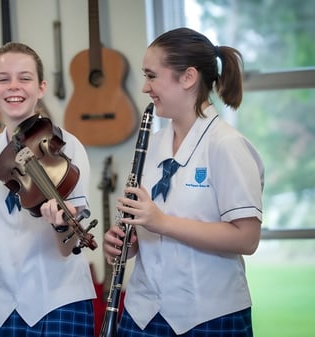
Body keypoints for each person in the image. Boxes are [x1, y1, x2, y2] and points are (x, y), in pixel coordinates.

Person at [102, 27, 264, 336]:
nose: (145, 88)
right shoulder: (151, 144)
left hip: (209, 315)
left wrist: (161, 222)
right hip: (142, 313)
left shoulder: (226, 145)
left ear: (188, 78)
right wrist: (128, 241)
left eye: (152, 76)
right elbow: (147, 226)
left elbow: (247, 238)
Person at [0, 42, 96, 337]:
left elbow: (69, 248)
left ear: (41, 87)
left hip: (61, 300)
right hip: (4, 306)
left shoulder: (67, 148)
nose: (13, 86)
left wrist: (60, 228)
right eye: (3, 79)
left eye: (25, 78)